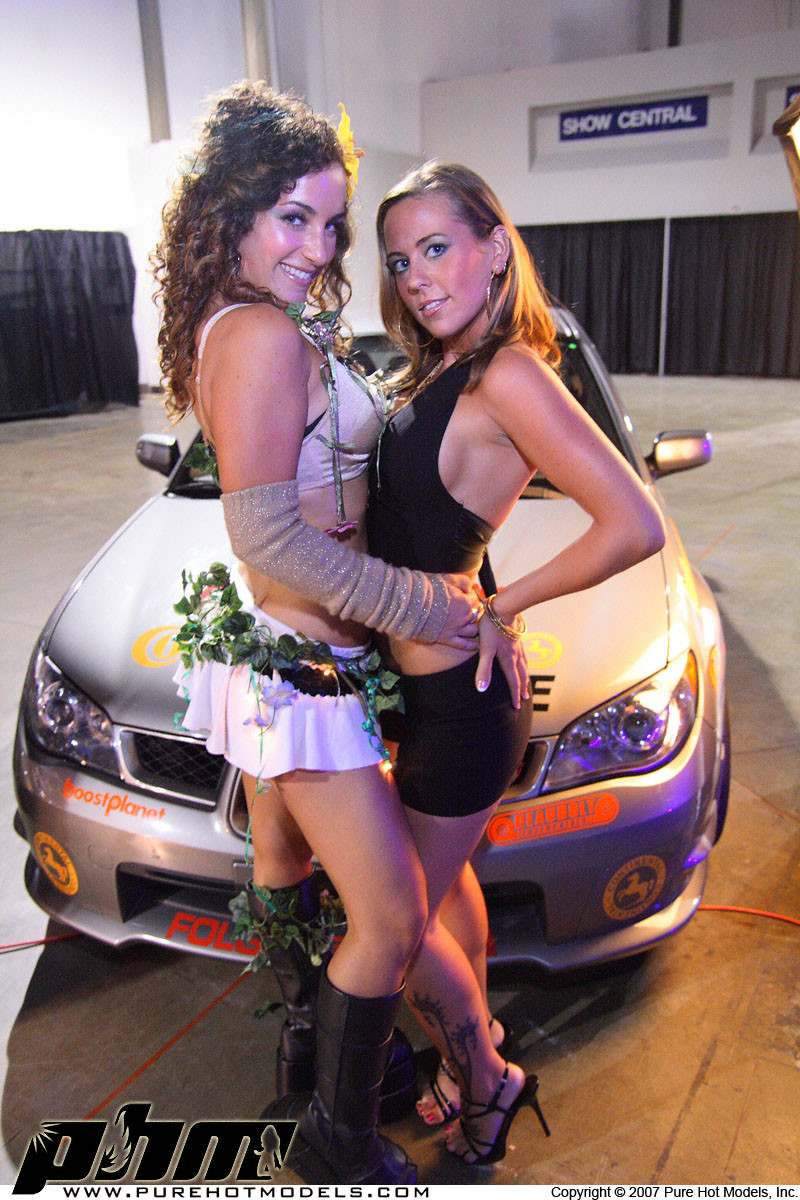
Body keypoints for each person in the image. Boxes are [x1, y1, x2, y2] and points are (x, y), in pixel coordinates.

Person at [152, 84, 483, 1186]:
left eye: (333, 223)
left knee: (283, 857)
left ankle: (312, 1050)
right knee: (390, 917)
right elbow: (265, 536)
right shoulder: (256, 332)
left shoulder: (246, 317)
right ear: (232, 212)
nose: (319, 245)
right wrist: (422, 605)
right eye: (293, 216)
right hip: (303, 671)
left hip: (287, 657)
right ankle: (336, 1142)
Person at [366, 159, 666, 1163]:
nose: (416, 276)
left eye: (436, 247)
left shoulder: (508, 373)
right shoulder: (441, 368)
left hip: (462, 708)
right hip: (419, 696)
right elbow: (444, 517)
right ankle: (470, 1059)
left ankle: (490, 1083)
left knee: (393, 923)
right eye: (399, 260)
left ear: (496, 246)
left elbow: (632, 522)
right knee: (446, 896)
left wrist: (505, 602)